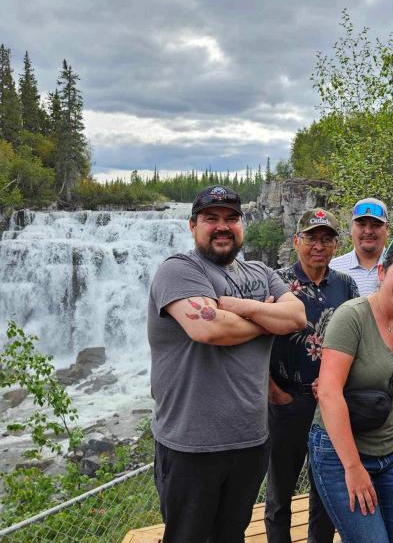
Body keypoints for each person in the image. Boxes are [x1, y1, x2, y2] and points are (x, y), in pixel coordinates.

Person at [147, 185, 306, 543]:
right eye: (211, 219)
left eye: (231, 218)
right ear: (192, 226)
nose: (223, 226)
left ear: (242, 225)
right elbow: (208, 328)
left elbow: (296, 317)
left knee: (231, 535)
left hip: (250, 439)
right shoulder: (177, 269)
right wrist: (267, 318)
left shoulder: (261, 272)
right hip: (191, 445)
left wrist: (235, 307)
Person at [309, 236, 393, 543]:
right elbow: (328, 391)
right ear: (381, 274)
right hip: (341, 452)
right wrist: (353, 467)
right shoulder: (352, 316)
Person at [264, 208, 360, 543]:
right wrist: (273, 391)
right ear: (296, 242)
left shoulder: (346, 286)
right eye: (311, 238)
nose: (318, 245)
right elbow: (255, 342)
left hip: (330, 404)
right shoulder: (275, 283)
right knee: (281, 490)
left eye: (326, 238)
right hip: (287, 402)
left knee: (325, 488)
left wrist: (341, 383)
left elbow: (358, 339)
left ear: (336, 245)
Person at [329, 197, 390, 296]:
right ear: (351, 228)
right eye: (361, 224)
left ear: (387, 229)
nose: (368, 231)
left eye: (376, 225)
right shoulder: (331, 269)